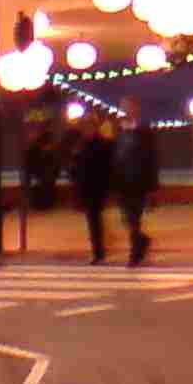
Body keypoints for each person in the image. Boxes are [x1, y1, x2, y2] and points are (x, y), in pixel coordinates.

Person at [110, 96, 161, 266]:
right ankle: (141, 241)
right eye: (124, 107)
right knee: (127, 218)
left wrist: (153, 186)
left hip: (138, 182)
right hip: (122, 181)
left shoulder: (145, 131)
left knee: (134, 217)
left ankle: (135, 253)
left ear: (136, 109)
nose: (126, 110)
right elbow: (114, 156)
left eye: (129, 107)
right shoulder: (118, 130)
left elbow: (151, 158)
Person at [70, 114, 117, 264]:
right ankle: (98, 250)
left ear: (95, 127)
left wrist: (108, 186)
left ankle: (98, 252)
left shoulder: (103, 144)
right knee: (93, 221)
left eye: (89, 127)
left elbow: (108, 167)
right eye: (85, 127)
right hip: (85, 187)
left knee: (95, 220)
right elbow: (76, 166)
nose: (86, 130)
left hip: (97, 188)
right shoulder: (81, 144)